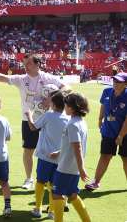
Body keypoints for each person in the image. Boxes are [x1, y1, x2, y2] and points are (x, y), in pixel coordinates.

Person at [0, 54, 72, 190]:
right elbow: (2, 77)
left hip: (49, 120)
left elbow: (68, 88)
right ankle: (29, 179)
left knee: (53, 149)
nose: (25, 66)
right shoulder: (21, 79)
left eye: (29, 63)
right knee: (28, 149)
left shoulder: (48, 78)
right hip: (28, 119)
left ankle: (54, 179)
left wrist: (51, 97)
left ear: (37, 65)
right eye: (24, 63)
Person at [24, 91, 70, 220]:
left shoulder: (48, 116)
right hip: (59, 157)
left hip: (45, 156)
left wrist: (29, 116)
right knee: (53, 184)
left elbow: (33, 127)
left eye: (50, 100)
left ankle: (38, 209)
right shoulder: (68, 118)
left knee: (40, 181)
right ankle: (52, 211)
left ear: (53, 104)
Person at [50, 93, 91, 222]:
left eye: (66, 105)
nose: (65, 107)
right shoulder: (81, 122)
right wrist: (59, 152)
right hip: (72, 167)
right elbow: (71, 145)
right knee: (72, 194)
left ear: (72, 108)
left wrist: (82, 167)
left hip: (66, 168)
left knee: (56, 193)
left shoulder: (72, 125)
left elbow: (77, 146)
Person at [85, 73, 127, 190]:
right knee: (104, 155)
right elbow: (103, 105)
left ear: (125, 84)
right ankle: (96, 182)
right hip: (108, 131)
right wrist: (100, 119)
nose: (115, 83)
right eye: (114, 80)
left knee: (125, 157)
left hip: (124, 133)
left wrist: (120, 136)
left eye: (119, 81)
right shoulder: (107, 91)